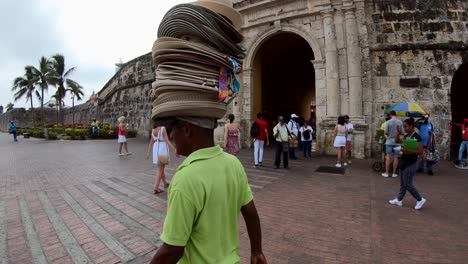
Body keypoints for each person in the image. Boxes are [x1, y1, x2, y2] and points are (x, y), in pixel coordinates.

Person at [388, 118, 427, 210]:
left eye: (406, 126)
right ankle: (399, 199)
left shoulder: (417, 137)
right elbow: (397, 141)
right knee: (403, 183)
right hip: (404, 162)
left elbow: (420, 151)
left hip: (411, 163)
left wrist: (406, 150)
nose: (404, 128)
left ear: (411, 126)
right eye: (403, 127)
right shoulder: (406, 136)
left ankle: (420, 199)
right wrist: (398, 132)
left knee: (407, 183)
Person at [146, 124, 177, 194]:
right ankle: (156, 188)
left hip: (156, 149)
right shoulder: (163, 128)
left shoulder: (153, 130)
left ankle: (165, 183)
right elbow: (167, 141)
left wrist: (148, 153)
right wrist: (174, 150)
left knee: (161, 168)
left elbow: (151, 143)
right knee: (160, 169)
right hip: (162, 149)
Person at [382, 111, 403, 177]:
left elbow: (385, 132)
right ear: (395, 114)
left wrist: (389, 135)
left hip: (389, 141)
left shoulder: (388, 122)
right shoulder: (400, 122)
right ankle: (394, 173)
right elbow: (402, 132)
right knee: (396, 157)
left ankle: (387, 173)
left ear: (390, 115)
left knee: (388, 157)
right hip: (397, 142)